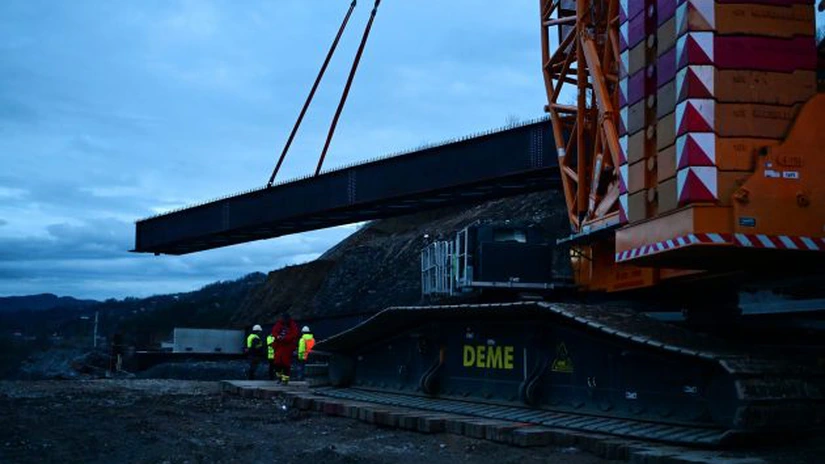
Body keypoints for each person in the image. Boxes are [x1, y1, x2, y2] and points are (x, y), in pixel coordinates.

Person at [270, 313, 299, 384]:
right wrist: (278, 337)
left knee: (286, 364)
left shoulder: (292, 325)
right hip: (279, 346)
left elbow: (294, 334)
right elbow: (274, 332)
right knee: (277, 363)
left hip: (287, 347)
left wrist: (285, 338)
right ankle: (279, 378)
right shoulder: (279, 324)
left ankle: (285, 380)